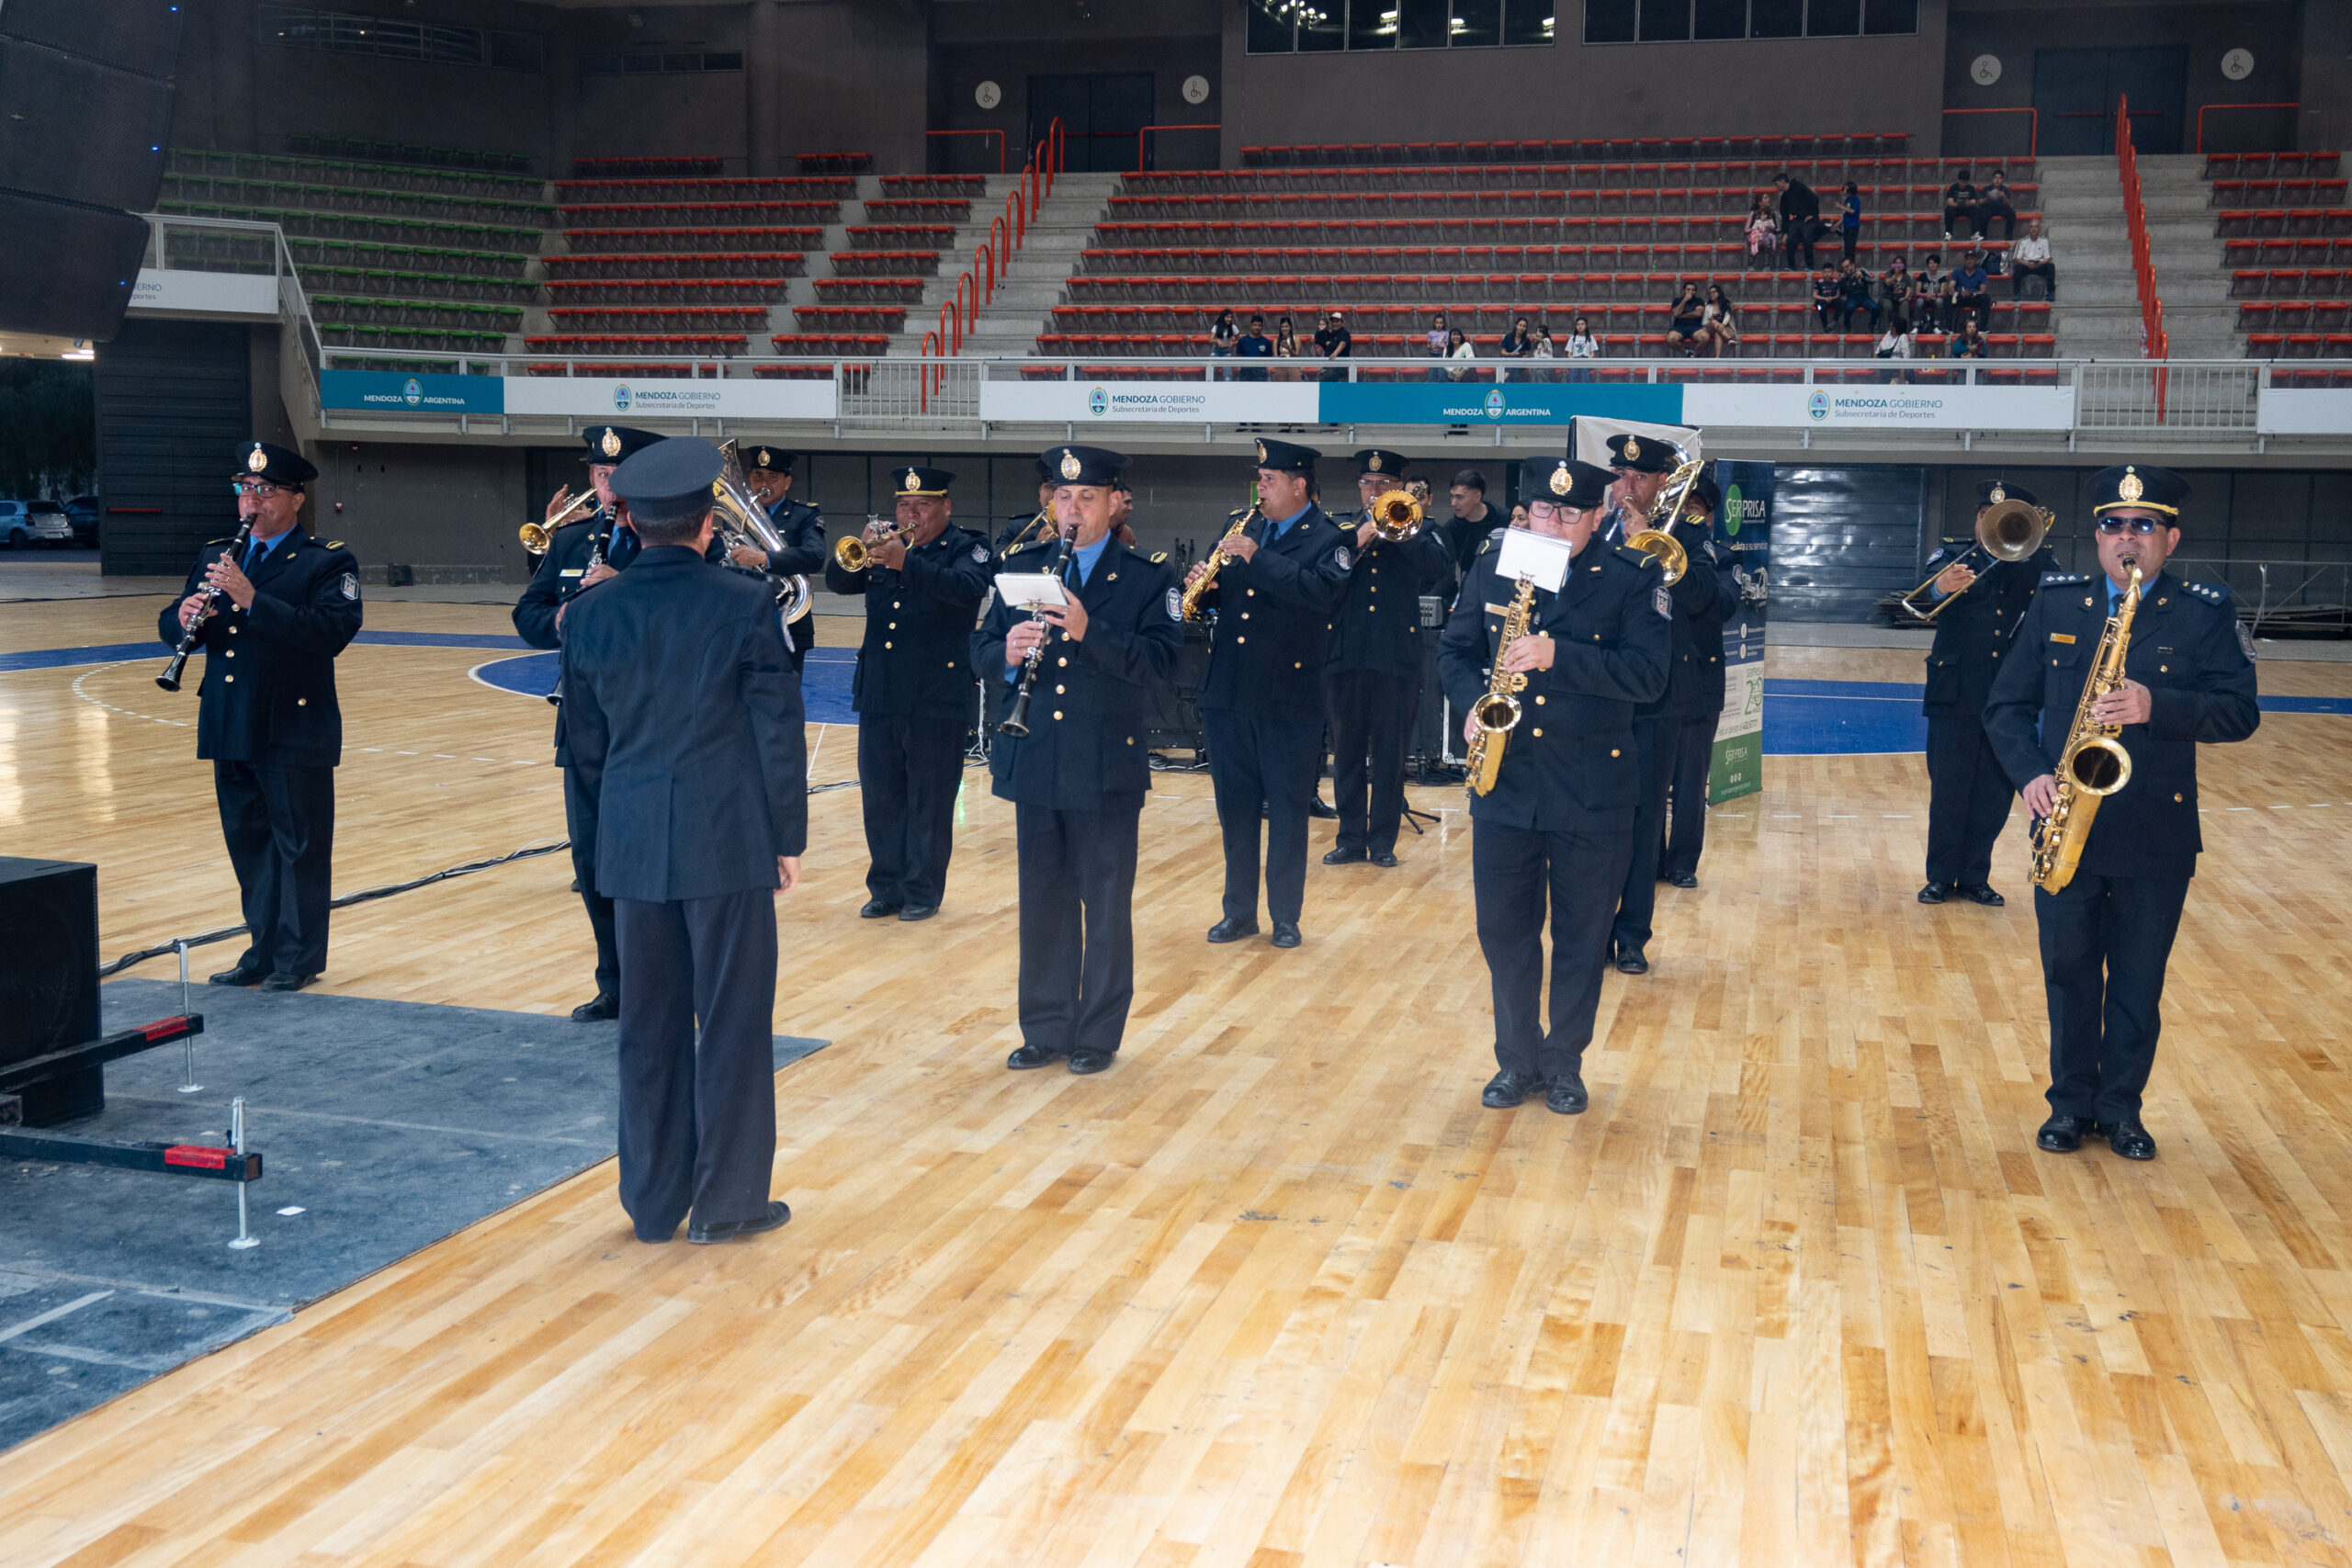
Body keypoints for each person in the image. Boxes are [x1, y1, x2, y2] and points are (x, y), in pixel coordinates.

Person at [559, 436, 806, 1246]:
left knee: (648, 1026)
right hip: (726, 837)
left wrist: (611, 841)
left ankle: (654, 1201)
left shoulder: (590, 611)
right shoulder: (745, 603)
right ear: (707, 522)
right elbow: (775, 729)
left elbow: (585, 748)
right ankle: (727, 1201)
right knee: (732, 1020)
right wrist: (785, 835)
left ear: (630, 520)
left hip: (633, 844)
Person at [1984, 464, 2259, 1162]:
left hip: (2154, 831)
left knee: (2138, 982)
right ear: (2098, 535)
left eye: (2142, 526)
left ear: (2170, 537)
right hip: (2065, 822)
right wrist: (2030, 775)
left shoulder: (2204, 611)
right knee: (2068, 974)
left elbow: (2239, 712)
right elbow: (2006, 706)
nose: (2126, 538)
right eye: (2113, 525)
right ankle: (2069, 1106)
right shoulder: (2057, 604)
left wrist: (2157, 705)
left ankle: (2121, 1111)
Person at [1440, 457, 1671, 1113]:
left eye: (1570, 513)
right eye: (1543, 509)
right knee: (1504, 930)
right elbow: (1455, 650)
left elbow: (1650, 676)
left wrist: (1558, 655)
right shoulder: (1495, 564)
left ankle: (1564, 1063)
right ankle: (1516, 1061)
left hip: (1592, 788)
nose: (1553, 523)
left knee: (1582, 935)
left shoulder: (1633, 576)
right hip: (1506, 782)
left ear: (1598, 516)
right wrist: (1470, 702)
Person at [976, 446, 1182, 1075]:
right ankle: (1045, 1027)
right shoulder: (1023, 567)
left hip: (1104, 766)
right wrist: (1005, 652)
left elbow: (1163, 665)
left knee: (1106, 904)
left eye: (1087, 497)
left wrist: (1092, 630)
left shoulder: (1148, 576)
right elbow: (979, 648)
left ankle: (1097, 1033)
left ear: (1115, 502)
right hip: (1036, 757)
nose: (1073, 510)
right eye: (1063, 497)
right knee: (1043, 902)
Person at [164, 440, 361, 994]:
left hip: (292, 725)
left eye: (266, 490)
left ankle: (297, 959)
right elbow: (176, 623)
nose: (252, 500)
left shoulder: (327, 560)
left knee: (299, 848)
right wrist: (180, 617)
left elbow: (330, 633)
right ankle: (263, 950)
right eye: (245, 489)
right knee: (249, 845)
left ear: (296, 499)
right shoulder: (217, 554)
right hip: (229, 718)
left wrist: (253, 599)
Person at [513, 424, 663, 1018]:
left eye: (619, 476)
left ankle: (658, 984)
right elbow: (527, 613)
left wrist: (623, 589)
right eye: (601, 475)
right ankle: (615, 982)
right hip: (583, 727)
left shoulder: (677, 543)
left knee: (648, 862)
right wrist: (564, 617)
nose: (608, 487)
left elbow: (690, 613)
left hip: (651, 728)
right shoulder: (574, 541)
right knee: (593, 860)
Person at [1182, 438, 1351, 948]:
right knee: (1235, 809)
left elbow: (1320, 595)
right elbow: (1224, 600)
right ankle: (1238, 912)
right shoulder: (1241, 525)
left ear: (1299, 485)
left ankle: (1285, 916)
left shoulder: (1329, 538)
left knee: (1287, 810)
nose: (1261, 489)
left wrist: (1258, 559)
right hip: (1230, 690)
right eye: (1259, 479)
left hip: (1287, 696)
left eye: (1270, 480)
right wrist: (1204, 589)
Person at [823, 464, 991, 921]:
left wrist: (905, 563)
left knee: (930, 800)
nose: (910, 514)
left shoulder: (968, 547)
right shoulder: (884, 546)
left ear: (945, 507)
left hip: (936, 694)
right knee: (881, 798)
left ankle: (922, 891)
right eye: (903, 505)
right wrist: (860, 550)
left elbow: (967, 589)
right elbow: (838, 582)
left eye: (921, 505)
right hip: (880, 690)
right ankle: (886, 888)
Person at [1603, 432, 1735, 975]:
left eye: (1640, 478)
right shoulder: (1592, 529)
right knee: (1592, 822)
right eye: (1621, 476)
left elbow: (1712, 600)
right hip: (1597, 696)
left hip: (1656, 702)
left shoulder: (1689, 535)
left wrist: (1653, 546)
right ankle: (1590, 933)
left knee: (1641, 822)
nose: (1627, 488)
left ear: (1662, 483)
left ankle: (1632, 934)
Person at [1916, 479, 2061, 908]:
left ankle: (1975, 876)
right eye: (1983, 515)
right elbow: (1919, 602)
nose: (1987, 522)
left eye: (1998, 516)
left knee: (1995, 793)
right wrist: (1940, 587)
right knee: (1949, 790)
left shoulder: (2040, 560)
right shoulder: (1952, 557)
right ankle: (1940, 877)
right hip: (1954, 692)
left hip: (2010, 697)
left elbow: (2059, 611)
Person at [1323, 449, 1452, 869]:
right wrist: (1361, 535)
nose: (1374, 491)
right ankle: (1349, 839)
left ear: (1398, 487)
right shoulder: (1339, 527)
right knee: (1346, 753)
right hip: (1346, 656)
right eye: (1367, 483)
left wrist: (1401, 528)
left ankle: (1382, 842)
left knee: (1391, 755)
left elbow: (1439, 568)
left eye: (1383, 484)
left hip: (1396, 659)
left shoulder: (1422, 527)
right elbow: (1323, 572)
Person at [1659, 475, 1741, 887]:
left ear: (1709, 516)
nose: (1685, 514)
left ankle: (1682, 863)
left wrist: (1682, 569)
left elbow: (1721, 605)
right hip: (1659, 678)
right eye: (1681, 506)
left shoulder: (1722, 558)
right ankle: (1650, 858)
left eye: (1693, 508)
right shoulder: (1653, 546)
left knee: (1690, 781)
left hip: (1702, 681)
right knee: (1651, 778)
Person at [727, 445, 825, 671]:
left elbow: (815, 555)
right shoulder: (735, 518)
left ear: (786, 482)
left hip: (789, 623)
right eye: (758, 476)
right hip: (744, 622)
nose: (764, 484)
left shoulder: (804, 514)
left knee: (784, 691)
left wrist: (764, 557)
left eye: (772, 477)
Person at [1442, 466, 1500, 585]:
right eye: (1452, 496)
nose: (1453, 503)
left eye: (1459, 497)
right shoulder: (1451, 527)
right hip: (1469, 588)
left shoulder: (1505, 520)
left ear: (1477, 497)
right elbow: (1445, 570)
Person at [1775, 170, 1820, 271]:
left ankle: (1809, 265)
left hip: (1808, 219)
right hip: (1797, 219)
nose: (1776, 187)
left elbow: (1814, 199)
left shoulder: (1798, 187)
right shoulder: (1784, 197)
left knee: (1807, 239)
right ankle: (1791, 266)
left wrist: (1813, 214)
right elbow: (1785, 216)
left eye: (1777, 184)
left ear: (1782, 181)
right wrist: (1785, 232)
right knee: (1790, 239)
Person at [2011, 219, 2055, 301]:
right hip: (2026, 266)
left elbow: (2048, 258)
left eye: (2036, 227)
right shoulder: (2022, 241)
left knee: (2050, 266)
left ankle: (2050, 293)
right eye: (2031, 227)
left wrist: (2039, 263)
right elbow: (2017, 258)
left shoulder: (2045, 241)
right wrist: (2027, 264)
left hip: (2039, 266)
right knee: (2017, 267)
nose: (2033, 229)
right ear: (2029, 229)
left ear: (2039, 229)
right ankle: (2016, 293)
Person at [1837, 259, 1882, 333]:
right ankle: (1847, 325)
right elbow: (1842, 293)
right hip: (1852, 298)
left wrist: (1862, 277)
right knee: (1848, 308)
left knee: (1876, 308)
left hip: (1864, 297)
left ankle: (1872, 324)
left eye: (1847, 266)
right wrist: (1839, 282)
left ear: (1852, 265)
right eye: (1844, 268)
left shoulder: (1862, 271)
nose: (1846, 269)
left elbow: (1873, 281)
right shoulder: (1843, 278)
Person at [1951, 250, 1992, 332]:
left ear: (1976, 260)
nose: (1969, 261)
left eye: (1972, 259)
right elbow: (1950, 288)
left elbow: (1982, 290)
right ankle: (1949, 328)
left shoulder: (1981, 272)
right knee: (1947, 299)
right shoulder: (1957, 272)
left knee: (1985, 298)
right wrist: (1959, 293)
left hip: (1973, 297)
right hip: (1960, 297)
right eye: (1967, 259)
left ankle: (1983, 328)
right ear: (1964, 260)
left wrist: (1970, 293)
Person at [1976, 168, 2018, 242]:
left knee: (2011, 213)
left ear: (2002, 180)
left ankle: (2008, 235)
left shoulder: (2005, 189)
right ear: (1992, 179)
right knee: (1982, 214)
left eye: (2000, 178)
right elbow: (1979, 202)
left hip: (2001, 208)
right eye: (1995, 178)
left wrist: (2004, 197)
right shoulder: (1987, 189)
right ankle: (1983, 236)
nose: (1997, 180)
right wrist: (1987, 198)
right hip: (1989, 207)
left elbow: (2008, 203)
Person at [1698, 285, 1738, 357]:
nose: (1711, 294)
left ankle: (1717, 358)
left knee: (1718, 333)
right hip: (1710, 329)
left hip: (1726, 329)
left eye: (1714, 292)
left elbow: (1727, 316)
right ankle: (1730, 339)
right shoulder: (1707, 306)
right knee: (1713, 321)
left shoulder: (1727, 304)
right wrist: (1711, 320)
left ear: (1719, 292)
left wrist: (1723, 324)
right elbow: (1704, 322)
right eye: (1710, 293)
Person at [1314, 309, 1352, 385]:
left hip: (1339, 366)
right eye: (1333, 322)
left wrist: (1335, 353)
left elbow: (1343, 343)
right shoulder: (1331, 334)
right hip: (1329, 365)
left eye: (1337, 321)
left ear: (1342, 323)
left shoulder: (1344, 333)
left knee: (1325, 378)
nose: (1334, 323)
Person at [1667, 282, 1704, 356]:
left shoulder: (1699, 300)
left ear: (1695, 291)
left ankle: (1694, 356)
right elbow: (1675, 313)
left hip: (1695, 327)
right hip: (1679, 327)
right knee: (1670, 339)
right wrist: (1684, 300)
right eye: (1688, 289)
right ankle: (1686, 352)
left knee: (1705, 337)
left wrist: (1681, 315)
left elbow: (1698, 314)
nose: (1690, 292)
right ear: (1684, 290)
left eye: (1693, 290)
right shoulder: (1677, 300)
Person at [1943, 167, 1980, 242]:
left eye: (1965, 182)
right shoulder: (1953, 188)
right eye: (1961, 182)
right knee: (1949, 210)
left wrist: (1969, 203)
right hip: (1956, 208)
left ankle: (1974, 234)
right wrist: (1958, 204)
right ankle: (1948, 234)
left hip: (1967, 208)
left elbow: (1974, 201)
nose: (1963, 184)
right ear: (1958, 180)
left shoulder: (1971, 188)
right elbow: (1950, 202)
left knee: (1976, 210)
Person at [1745, 195, 1780, 272]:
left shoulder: (1773, 213)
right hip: (1756, 234)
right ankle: (1751, 264)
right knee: (1755, 241)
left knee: (1768, 242)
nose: (1768, 199)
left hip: (1768, 235)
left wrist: (1771, 229)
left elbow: (1778, 229)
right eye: (1765, 198)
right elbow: (1746, 230)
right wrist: (1756, 230)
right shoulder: (1754, 213)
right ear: (1760, 202)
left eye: (1768, 197)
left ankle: (1767, 265)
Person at [1235, 313, 1273, 382]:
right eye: (1255, 325)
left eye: (1259, 325)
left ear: (1262, 327)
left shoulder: (1266, 342)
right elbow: (1238, 357)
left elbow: (1270, 360)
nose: (1257, 327)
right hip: (1245, 374)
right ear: (1251, 326)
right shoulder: (1242, 341)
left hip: (1261, 375)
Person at [1497, 314, 1533, 382]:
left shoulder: (1526, 340)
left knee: (1516, 361)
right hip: (1507, 361)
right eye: (1520, 325)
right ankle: (1514, 385)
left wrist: (1523, 357)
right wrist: (1512, 354)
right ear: (1516, 326)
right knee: (1514, 363)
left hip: (1521, 363)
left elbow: (1527, 354)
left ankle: (1502, 379)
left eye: (1524, 326)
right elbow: (1503, 352)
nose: (1522, 328)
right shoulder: (1508, 336)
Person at [1563, 314, 1600, 381]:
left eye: (1582, 324)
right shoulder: (1572, 338)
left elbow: (1593, 354)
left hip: (1586, 360)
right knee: (1573, 370)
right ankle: (1572, 386)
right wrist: (1574, 360)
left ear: (1586, 326)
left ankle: (1584, 386)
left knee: (1584, 368)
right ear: (1576, 326)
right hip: (1575, 360)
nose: (1580, 326)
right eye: (1578, 324)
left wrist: (1587, 359)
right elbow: (1569, 354)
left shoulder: (1590, 338)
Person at [1812, 265, 1842, 333]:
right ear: (1822, 273)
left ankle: (1834, 321)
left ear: (1832, 273)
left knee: (1841, 303)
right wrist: (1824, 298)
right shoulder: (1819, 282)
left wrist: (1832, 298)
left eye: (1829, 272)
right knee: (1821, 308)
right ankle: (1825, 327)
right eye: (1825, 272)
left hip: (1831, 300)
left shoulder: (1835, 282)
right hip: (1820, 302)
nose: (1827, 274)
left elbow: (1838, 295)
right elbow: (1814, 295)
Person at [1838, 181, 1862, 265]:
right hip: (1846, 225)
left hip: (1853, 225)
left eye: (1846, 189)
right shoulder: (1847, 200)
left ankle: (1852, 265)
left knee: (1850, 247)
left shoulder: (1855, 199)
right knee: (1846, 248)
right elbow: (1845, 214)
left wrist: (1841, 207)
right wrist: (1838, 223)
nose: (1844, 191)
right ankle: (1846, 265)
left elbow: (1852, 211)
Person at [1210, 307, 1238, 378]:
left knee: (1227, 369)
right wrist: (1217, 340)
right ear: (1223, 317)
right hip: (1216, 350)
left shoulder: (1233, 327)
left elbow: (1239, 340)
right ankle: (1209, 382)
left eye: (1231, 317)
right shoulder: (1216, 327)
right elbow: (1210, 340)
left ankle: (1227, 382)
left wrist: (1233, 343)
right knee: (1211, 367)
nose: (1229, 319)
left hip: (1227, 351)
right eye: (1227, 317)